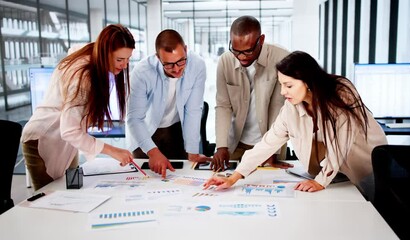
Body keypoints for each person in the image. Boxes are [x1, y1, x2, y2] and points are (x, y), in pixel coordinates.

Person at [204, 51, 388, 201]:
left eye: (289, 86)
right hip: (338, 174)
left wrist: (320, 182)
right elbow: (267, 143)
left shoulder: (341, 92)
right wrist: (234, 177)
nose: (283, 92)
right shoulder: (291, 107)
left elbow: (339, 145)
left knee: (375, 211)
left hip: (368, 166)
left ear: (307, 82)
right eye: (281, 85)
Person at [21, 24, 136, 191]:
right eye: (119, 60)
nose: (125, 65)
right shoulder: (82, 77)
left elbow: (71, 130)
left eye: (128, 59)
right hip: (43, 138)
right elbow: (69, 130)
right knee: (50, 199)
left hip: (66, 141)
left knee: (71, 192)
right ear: (105, 53)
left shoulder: (92, 53)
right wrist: (113, 151)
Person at [127, 29, 210, 179]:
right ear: (158, 58)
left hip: (175, 130)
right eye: (169, 65)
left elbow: (193, 110)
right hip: (146, 132)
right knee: (145, 182)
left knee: (181, 178)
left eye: (181, 61)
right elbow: (134, 119)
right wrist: (152, 151)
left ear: (185, 49)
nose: (177, 69)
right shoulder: (142, 71)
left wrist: (192, 151)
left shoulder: (197, 65)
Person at [212, 15, 292, 171]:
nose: (241, 57)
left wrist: (272, 149)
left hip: (269, 143)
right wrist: (221, 146)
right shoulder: (225, 61)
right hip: (235, 143)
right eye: (236, 51)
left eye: (247, 51)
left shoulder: (282, 58)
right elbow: (223, 106)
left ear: (261, 40)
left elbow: (279, 107)